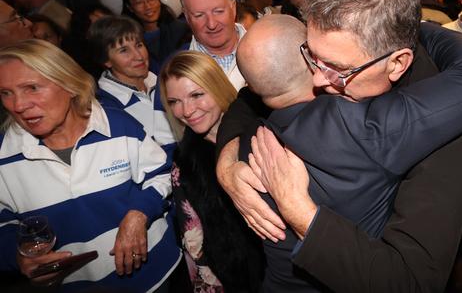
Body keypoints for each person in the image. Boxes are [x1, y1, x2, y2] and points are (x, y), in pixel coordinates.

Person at [217, 0, 462, 292]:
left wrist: (301, 213)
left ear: (398, 63)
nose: (315, 79)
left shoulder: (447, 117)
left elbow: (411, 281)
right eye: (311, 56)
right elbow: (255, 91)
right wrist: (227, 161)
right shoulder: (334, 79)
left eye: (338, 69)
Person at [0, 39, 181, 291]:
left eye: (31, 88)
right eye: (6, 93)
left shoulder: (117, 125)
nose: (18, 105)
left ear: (69, 84)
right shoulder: (3, 156)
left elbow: (161, 173)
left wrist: (140, 213)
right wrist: (18, 256)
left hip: (159, 276)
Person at [158, 51, 264, 292]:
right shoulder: (185, 165)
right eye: (174, 101)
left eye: (196, 95)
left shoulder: (261, 127)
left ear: (216, 87)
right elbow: (195, 246)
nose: (186, 110)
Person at [87, 15, 175, 151]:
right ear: (106, 60)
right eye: (124, 50)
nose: (139, 56)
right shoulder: (105, 107)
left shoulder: (166, 80)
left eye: (139, 45)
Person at [180, 0, 247, 91]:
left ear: (233, 8)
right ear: (187, 18)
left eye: (218, 11)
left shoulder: (268, 52)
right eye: (199, 15)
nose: (212, 24)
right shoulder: (175, 69)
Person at [121, 0, 190, 68]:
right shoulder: (128, 40)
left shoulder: (182, 31)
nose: (148, 6)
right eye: (139, 2)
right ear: (130, 7)